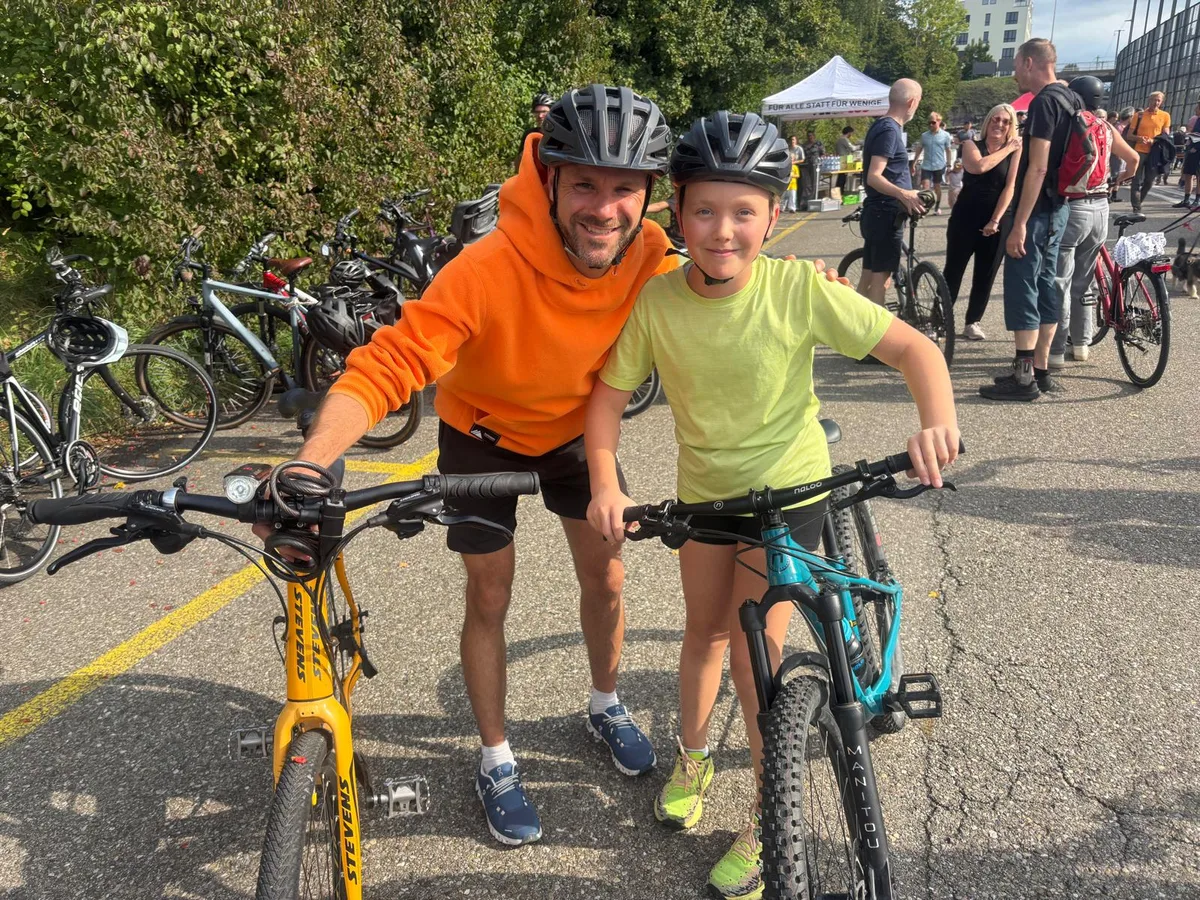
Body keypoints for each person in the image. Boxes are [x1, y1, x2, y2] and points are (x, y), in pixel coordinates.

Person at [276, 84, 679, 848]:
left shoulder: (651, 258)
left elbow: (731, 296)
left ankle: (604, 703)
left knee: (609, 575)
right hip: (481, 435)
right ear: (550, 177)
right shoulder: (486, 266)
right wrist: (310, 463)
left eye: (626, 188)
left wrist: (808, 294)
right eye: (586, 183)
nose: (606, 208)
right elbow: (385, 367)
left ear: (649, 195)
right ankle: (495, 758)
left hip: (574, 438)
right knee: (490, 595)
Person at [583, 109, 960, 900]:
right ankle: (693, 755)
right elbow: (608, 399)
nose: (724, 230)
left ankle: (767, 813)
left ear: (773, 216)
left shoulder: (795, 289)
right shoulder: (657, 304)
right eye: (705, 211)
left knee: (761, 662)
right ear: (677, 213)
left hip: (792, 493)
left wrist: (937, 420)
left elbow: (912, 349)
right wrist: (606, 481)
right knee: (704, 634)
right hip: (705, 500)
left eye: (744, 211)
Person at [979, 38, 1078, 401]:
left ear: (1031, 63)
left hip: (1036, 211)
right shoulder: (1070, 98)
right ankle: (1041, 370)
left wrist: (1018, 223)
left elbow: (1036, 168)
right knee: (1048, 284)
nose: (1015, 72)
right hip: (1059, 207)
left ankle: (1023, 380)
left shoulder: (1043, 104)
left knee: (1023, 287)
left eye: (1017, 64)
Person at [1048, 78, 1140, 369]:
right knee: (1084, 281)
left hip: (1073, 206)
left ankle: (1056, 349)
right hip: (1101, 208)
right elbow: (1134, 160)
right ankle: (1082, 344)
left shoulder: (1071, 122)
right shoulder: (1107, 127)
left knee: (1060, 282)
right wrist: (1116, 181)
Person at [941, 103, 1022, 343]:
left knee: (986, 274)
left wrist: (996, 219)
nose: (1000, 124)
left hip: (997, 221)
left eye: (1006, 122)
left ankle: (972, 321)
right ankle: (940, 318)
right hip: (965, 217)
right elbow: (978, 167)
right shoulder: (970, 145)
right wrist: (1007, 149)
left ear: (1011, 126)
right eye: (996, 119)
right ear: (988, 121)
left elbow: (1011, 187)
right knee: (953, 271)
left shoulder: (1016, 152)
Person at [857, 79, 926, 310]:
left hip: (878, 213)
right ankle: (876, 342)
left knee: (868, 278)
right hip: (885, 213)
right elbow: (874, 176)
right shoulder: (889, 130)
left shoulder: (882, 126)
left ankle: (856, 334)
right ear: (912, 102)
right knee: (880, 281)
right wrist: (904, 194)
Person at [1127, 91, 1172, 210]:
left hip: (1154, 152)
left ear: (1161, 102)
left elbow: (1165, 136)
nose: (1155, 103)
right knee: (1136, 179)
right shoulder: (1139, 115)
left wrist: (1154, 141)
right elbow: (1129, 135)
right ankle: (1136, 206)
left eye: (1158, 100)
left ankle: (1139, 200)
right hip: (1139, 150)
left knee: (1149, 180)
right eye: (1153, 100)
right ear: (1149, 100)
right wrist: (1139, 138)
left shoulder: (1165, 116)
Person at [912, 111, 954, 214]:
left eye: (933, 122)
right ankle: (926, 207)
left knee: (937, 187)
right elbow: (919, 149)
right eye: (929, 123)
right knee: (925, 187)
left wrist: (949, 164)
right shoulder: (924, 136)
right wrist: (913, 163)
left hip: (939, 165)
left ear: (939, 121)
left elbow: (948, 150)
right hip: (926, 165)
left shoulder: (945, 135)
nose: (931, 125)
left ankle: (937, 207)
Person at [514, 90, 555, 171]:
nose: (540, 116)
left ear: (551, 112)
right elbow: (518, 166)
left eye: (544, 112)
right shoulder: (530, 134)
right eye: (537, 112)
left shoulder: (559, 133)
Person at [1175, 102, 1200, 208]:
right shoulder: (1197, 120)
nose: (1195, 109)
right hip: (1191, 149)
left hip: (1198, 150)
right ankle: (1186, 199)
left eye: (1198, 108)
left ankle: (1197, 200)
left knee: (1199, 176)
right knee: (1188, 174)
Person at [835, 125, 856, 193]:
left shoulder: (840, 139)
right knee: (842, 177)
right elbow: (852, 148)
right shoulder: (844, 139)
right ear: (849, 132)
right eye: (851, 133)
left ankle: (840, 190)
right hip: (844, 159)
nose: (851, 135)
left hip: (843, 158)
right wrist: (860, 145)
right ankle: (840, 191)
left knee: (842, 176)